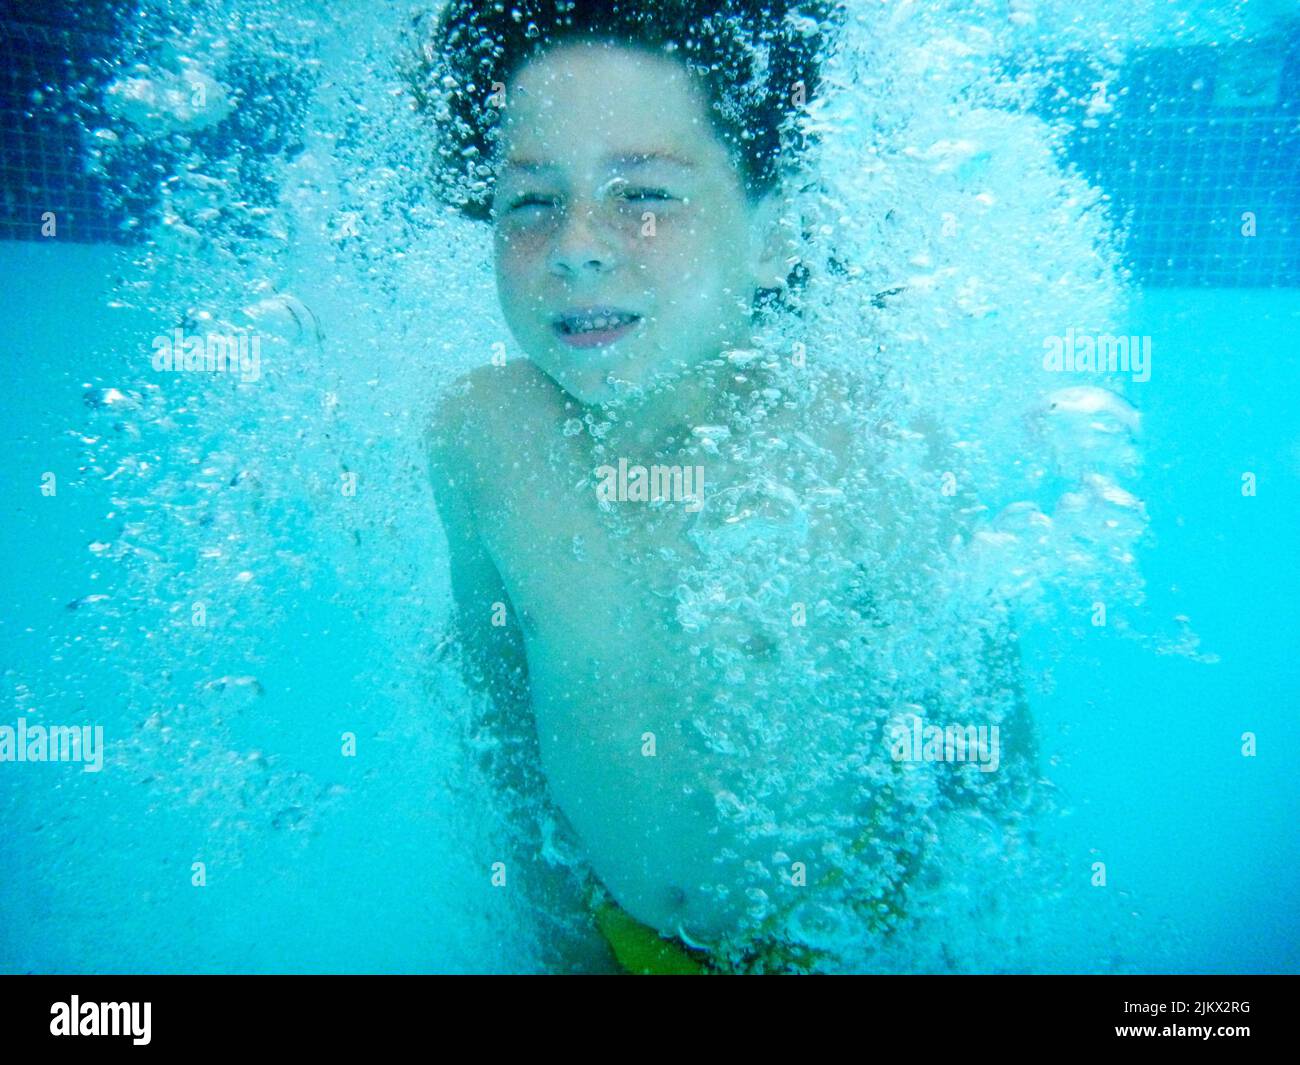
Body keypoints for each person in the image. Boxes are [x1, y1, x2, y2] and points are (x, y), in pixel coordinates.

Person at [414, 0, 1032, 973]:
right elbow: (498, 713)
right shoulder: (480, 441)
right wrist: (544, 926)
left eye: (643, 194)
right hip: (617, 938)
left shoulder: (866, 449)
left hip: (847, 937)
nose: (576, 242)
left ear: (774, 237)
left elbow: (984, 748)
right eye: (530, 201)